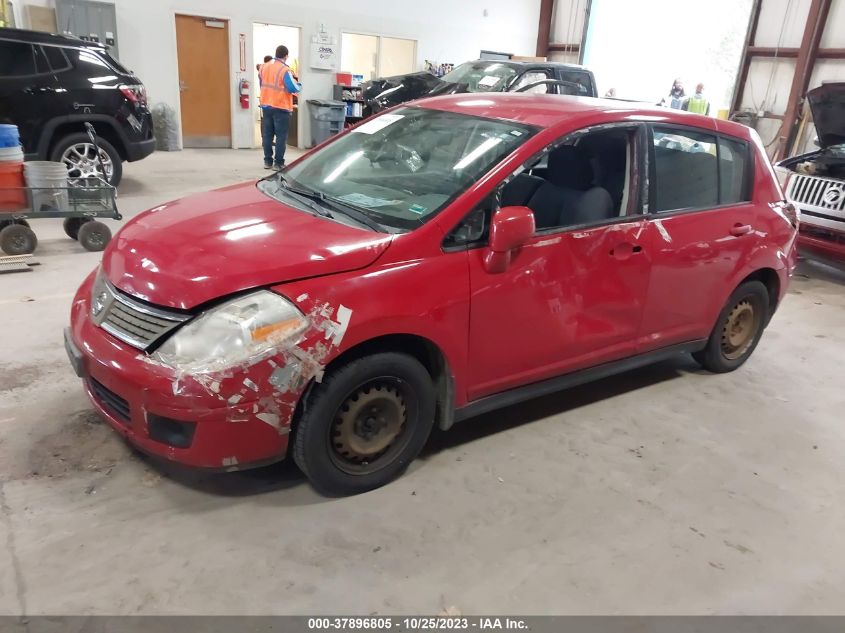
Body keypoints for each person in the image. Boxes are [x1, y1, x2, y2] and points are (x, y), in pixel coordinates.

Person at [259, 45, 301, 170]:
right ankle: (278, 163)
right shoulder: (284, 70)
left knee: (267, 135)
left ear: (275, 54)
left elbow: (262, 83)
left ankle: (267, 161)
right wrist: (299, 85)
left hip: (266, 105)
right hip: (281, 107)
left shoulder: (264, 67)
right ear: (286, 56)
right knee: (281, 136)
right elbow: (292, 88)